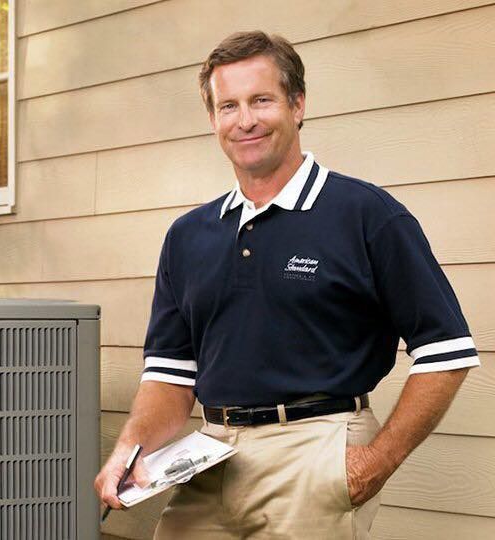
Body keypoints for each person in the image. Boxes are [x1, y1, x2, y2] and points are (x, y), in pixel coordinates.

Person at [94, 31, 479, 539]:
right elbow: (170, 374)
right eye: (228, 105)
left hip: (315, 449)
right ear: (212, 120)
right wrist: (131, 448)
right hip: (210, 455)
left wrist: (375, 462)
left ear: (297, 105)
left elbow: (446, 354)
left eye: (261, 100)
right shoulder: (187, 237)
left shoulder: (366, 215)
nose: (245, 120)